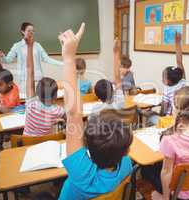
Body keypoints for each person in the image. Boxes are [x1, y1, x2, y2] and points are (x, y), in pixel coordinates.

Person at [141, 18, 189, 200]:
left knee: (145, 168)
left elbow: (166, 173)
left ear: (177, 111)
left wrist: (167, 197)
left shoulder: (170, 140)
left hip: (179, 190)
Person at [58, 23, 133, 200]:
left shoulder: (82, 175)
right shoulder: (127, 165)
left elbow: (74, 114)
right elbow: (74, 116)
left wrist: (69, 58)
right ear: (126, 151)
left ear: (87, 148)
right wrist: (116, 54)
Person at [0, 22, 63, 93]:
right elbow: (8, 60)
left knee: (39, 100)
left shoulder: (38, 46)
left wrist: (63, 64)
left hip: (38, 79)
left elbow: (47, 59)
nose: (31, 33)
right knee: (28, 101)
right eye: (29, 31)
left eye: (33, 31)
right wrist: (2, 56)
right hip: (24, 81)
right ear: (23, 32)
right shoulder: (17, 46)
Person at [23, 33, 65, 136]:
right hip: (45, 146)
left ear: (37, 93)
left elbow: (30, 72)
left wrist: (29, 47)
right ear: (55, 96)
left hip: (27, 147)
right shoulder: (57, 111)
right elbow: (68, 117)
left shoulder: (31, 104)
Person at [93, 38, 125, 112]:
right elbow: (118, 79)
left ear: (97, 96)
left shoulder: (96, 110)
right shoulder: (120, 104)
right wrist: (116, 52)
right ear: (113, 90)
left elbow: (90, 120)